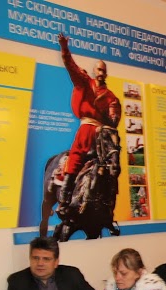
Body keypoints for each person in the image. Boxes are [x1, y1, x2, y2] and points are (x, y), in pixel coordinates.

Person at [56, 32, 121, 213]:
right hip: (86, 130)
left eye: (103, 70)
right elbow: (71, 66)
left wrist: (113, 117)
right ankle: (64, 200)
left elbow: (114, 118)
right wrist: (64, 47)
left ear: (106, 73)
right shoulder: (85, 82)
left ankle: (108, 205)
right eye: (98, 70)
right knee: (76, 158)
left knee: (113, 162)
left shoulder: (111, 97)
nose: (101, 73)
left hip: (102, 133)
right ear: (94, 71)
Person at [5, 236, 98, 290]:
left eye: (46, 259)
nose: (40, 263)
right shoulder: (18, 280)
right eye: (35, 258)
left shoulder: (71, 275)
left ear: (56, 262)